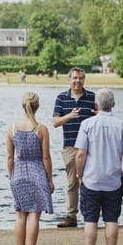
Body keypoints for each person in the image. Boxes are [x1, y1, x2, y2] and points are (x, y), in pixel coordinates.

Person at [72, 89, 123, 245]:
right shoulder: (122, 126)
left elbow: (80, 154)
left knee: (90, 220)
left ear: (96, 105)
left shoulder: (87, 124)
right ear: (113, 104)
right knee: (111, 219)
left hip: (91, 179)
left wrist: (79, 175)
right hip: (113, 180)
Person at [7, 92, 55, 245]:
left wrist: (11, 176)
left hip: (18, 172)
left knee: (20, 216)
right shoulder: (41, 129)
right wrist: (50, 180)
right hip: (36, 172)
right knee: (34, 215)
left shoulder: (12, 128)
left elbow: (9, 157)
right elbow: (46, 158)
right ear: (38, 106)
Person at [52, 67, 96, 228]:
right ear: (69, 80)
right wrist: (69, 116)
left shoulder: (92, 97)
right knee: (72, 182)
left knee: (90, 181)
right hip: (70, 146)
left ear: (84, 80)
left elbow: (101, 116)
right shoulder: (61, 98)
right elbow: (55, 122)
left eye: (80, 78)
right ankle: (71, 216)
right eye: (75, 78)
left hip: (90, 147)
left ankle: (91, 216)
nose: (77, 80)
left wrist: (97, 116)